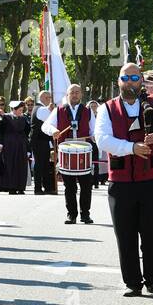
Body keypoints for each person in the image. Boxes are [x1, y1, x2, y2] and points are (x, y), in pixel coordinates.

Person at [94, 62, 153, 296]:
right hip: (121, 182)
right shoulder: (106, 109)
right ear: (118, 81)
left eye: (134, 78)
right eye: (124, 78)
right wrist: (131, 148)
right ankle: (132, 283)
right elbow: (102, 139)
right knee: (125, 234)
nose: (129, 83)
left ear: (141, 81)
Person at [44, 82, 96, 224]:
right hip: (66, 153)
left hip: (84, 152)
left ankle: (85, 214)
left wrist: (95, 136)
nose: (74, 95)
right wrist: (53, 130)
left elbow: (94, 131)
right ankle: (71, 215)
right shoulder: (59, 110)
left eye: (77, 92)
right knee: (70, 187)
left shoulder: (88, 111)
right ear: (67, 95)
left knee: (86, 186)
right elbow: (45, 125)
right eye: (72, 92)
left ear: (81, 94)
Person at [0, 101, 30, 194]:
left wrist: (28, 148)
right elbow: (0, 131)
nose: (21, 112)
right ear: (14, 109)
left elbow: (27, 133)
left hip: (21, 146)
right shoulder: (5, 118)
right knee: (10, 165)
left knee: (21, 165)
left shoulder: (24, 119)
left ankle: (20, 187)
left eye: (22, 110)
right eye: (19, 110)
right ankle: (11, 187)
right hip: (9, 146)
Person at [29, 90, 58, 195]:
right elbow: (52, 120)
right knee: (40, 165)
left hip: (42, 141)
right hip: (39, 141)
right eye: (48, 98)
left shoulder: (41, 108)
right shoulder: (41, 109)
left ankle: (47, 187)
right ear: (42, 98)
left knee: (45, 165)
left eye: (50, 98)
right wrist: (53, 110)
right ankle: (38, 188)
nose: (50, 100)